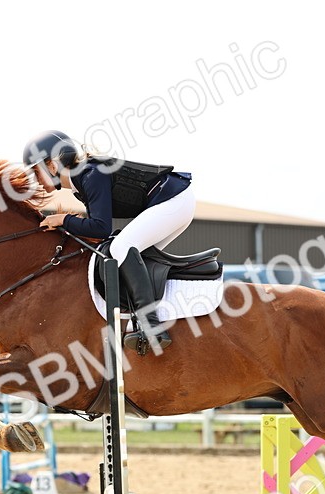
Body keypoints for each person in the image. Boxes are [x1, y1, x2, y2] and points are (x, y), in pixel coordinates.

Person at [22, 130, 195, 354]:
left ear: (52, 165)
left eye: (37, 172)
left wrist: (63, 219)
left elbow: (101, 229)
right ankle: (142, 319)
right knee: (129, 257)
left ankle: (151, 326)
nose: (36, 180)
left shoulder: (91, 174)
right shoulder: (82, 180)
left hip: (174, 199)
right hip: (175, 201)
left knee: (121, 247)